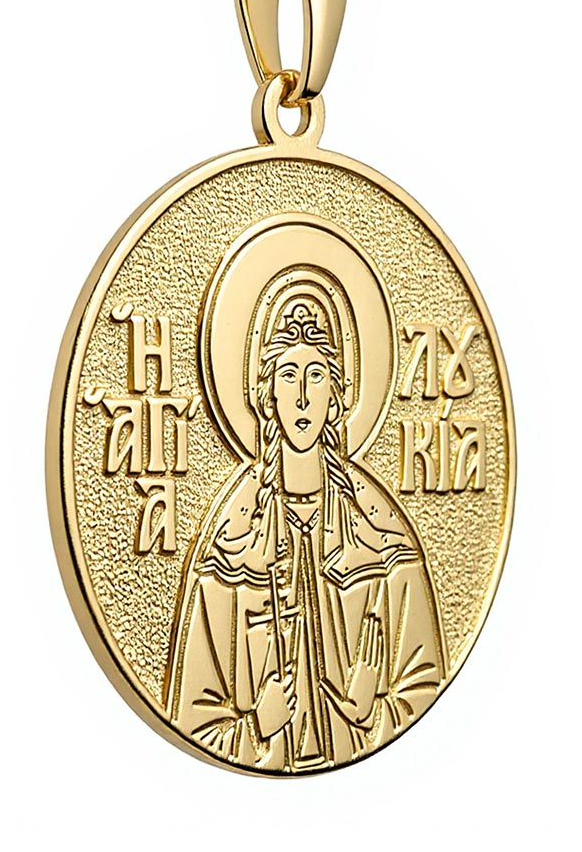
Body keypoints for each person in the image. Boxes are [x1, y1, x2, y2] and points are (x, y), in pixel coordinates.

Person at [167, 293, 445, 771]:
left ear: (337, 396)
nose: (301, 398)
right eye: (287, 375)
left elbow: (424, 687)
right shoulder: (233, 549)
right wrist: (257, 727)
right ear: (267, 395)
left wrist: (372, 713)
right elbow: (195, 721)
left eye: (315, 376)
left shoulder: (381, 542)